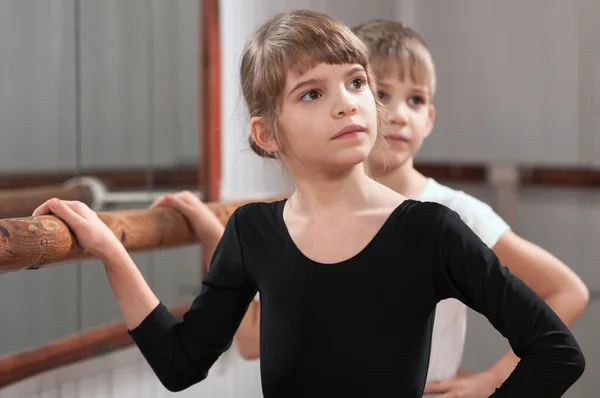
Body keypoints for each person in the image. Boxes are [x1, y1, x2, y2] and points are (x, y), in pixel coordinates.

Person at [33, 9, 585, 398]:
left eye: (355, 82)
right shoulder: (253, 233)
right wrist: (111, 251)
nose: (348, 104)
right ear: (267, 134)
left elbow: (556, 352)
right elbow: (181, 365)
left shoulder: (432, 230)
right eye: (313, 93)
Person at [233, 17, 591, 397]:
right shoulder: (302, 219)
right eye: (381, 94)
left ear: (430, 119)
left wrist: (492, 379)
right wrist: (223, 243)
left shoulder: (452, 213)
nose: (400, 114)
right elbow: (250, 343)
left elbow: (568, 291)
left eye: (416, 99)